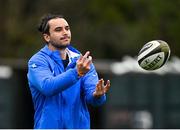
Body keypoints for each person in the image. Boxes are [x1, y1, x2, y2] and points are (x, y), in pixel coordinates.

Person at [27, 13, 110, 129]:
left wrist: (98, 95)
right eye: (58, 30)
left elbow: (94, 99)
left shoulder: (83, 61)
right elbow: (47, 87)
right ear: (47, 37)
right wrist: (76, 73)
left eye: (67, 28)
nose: (65, 32)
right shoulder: (37, 61)